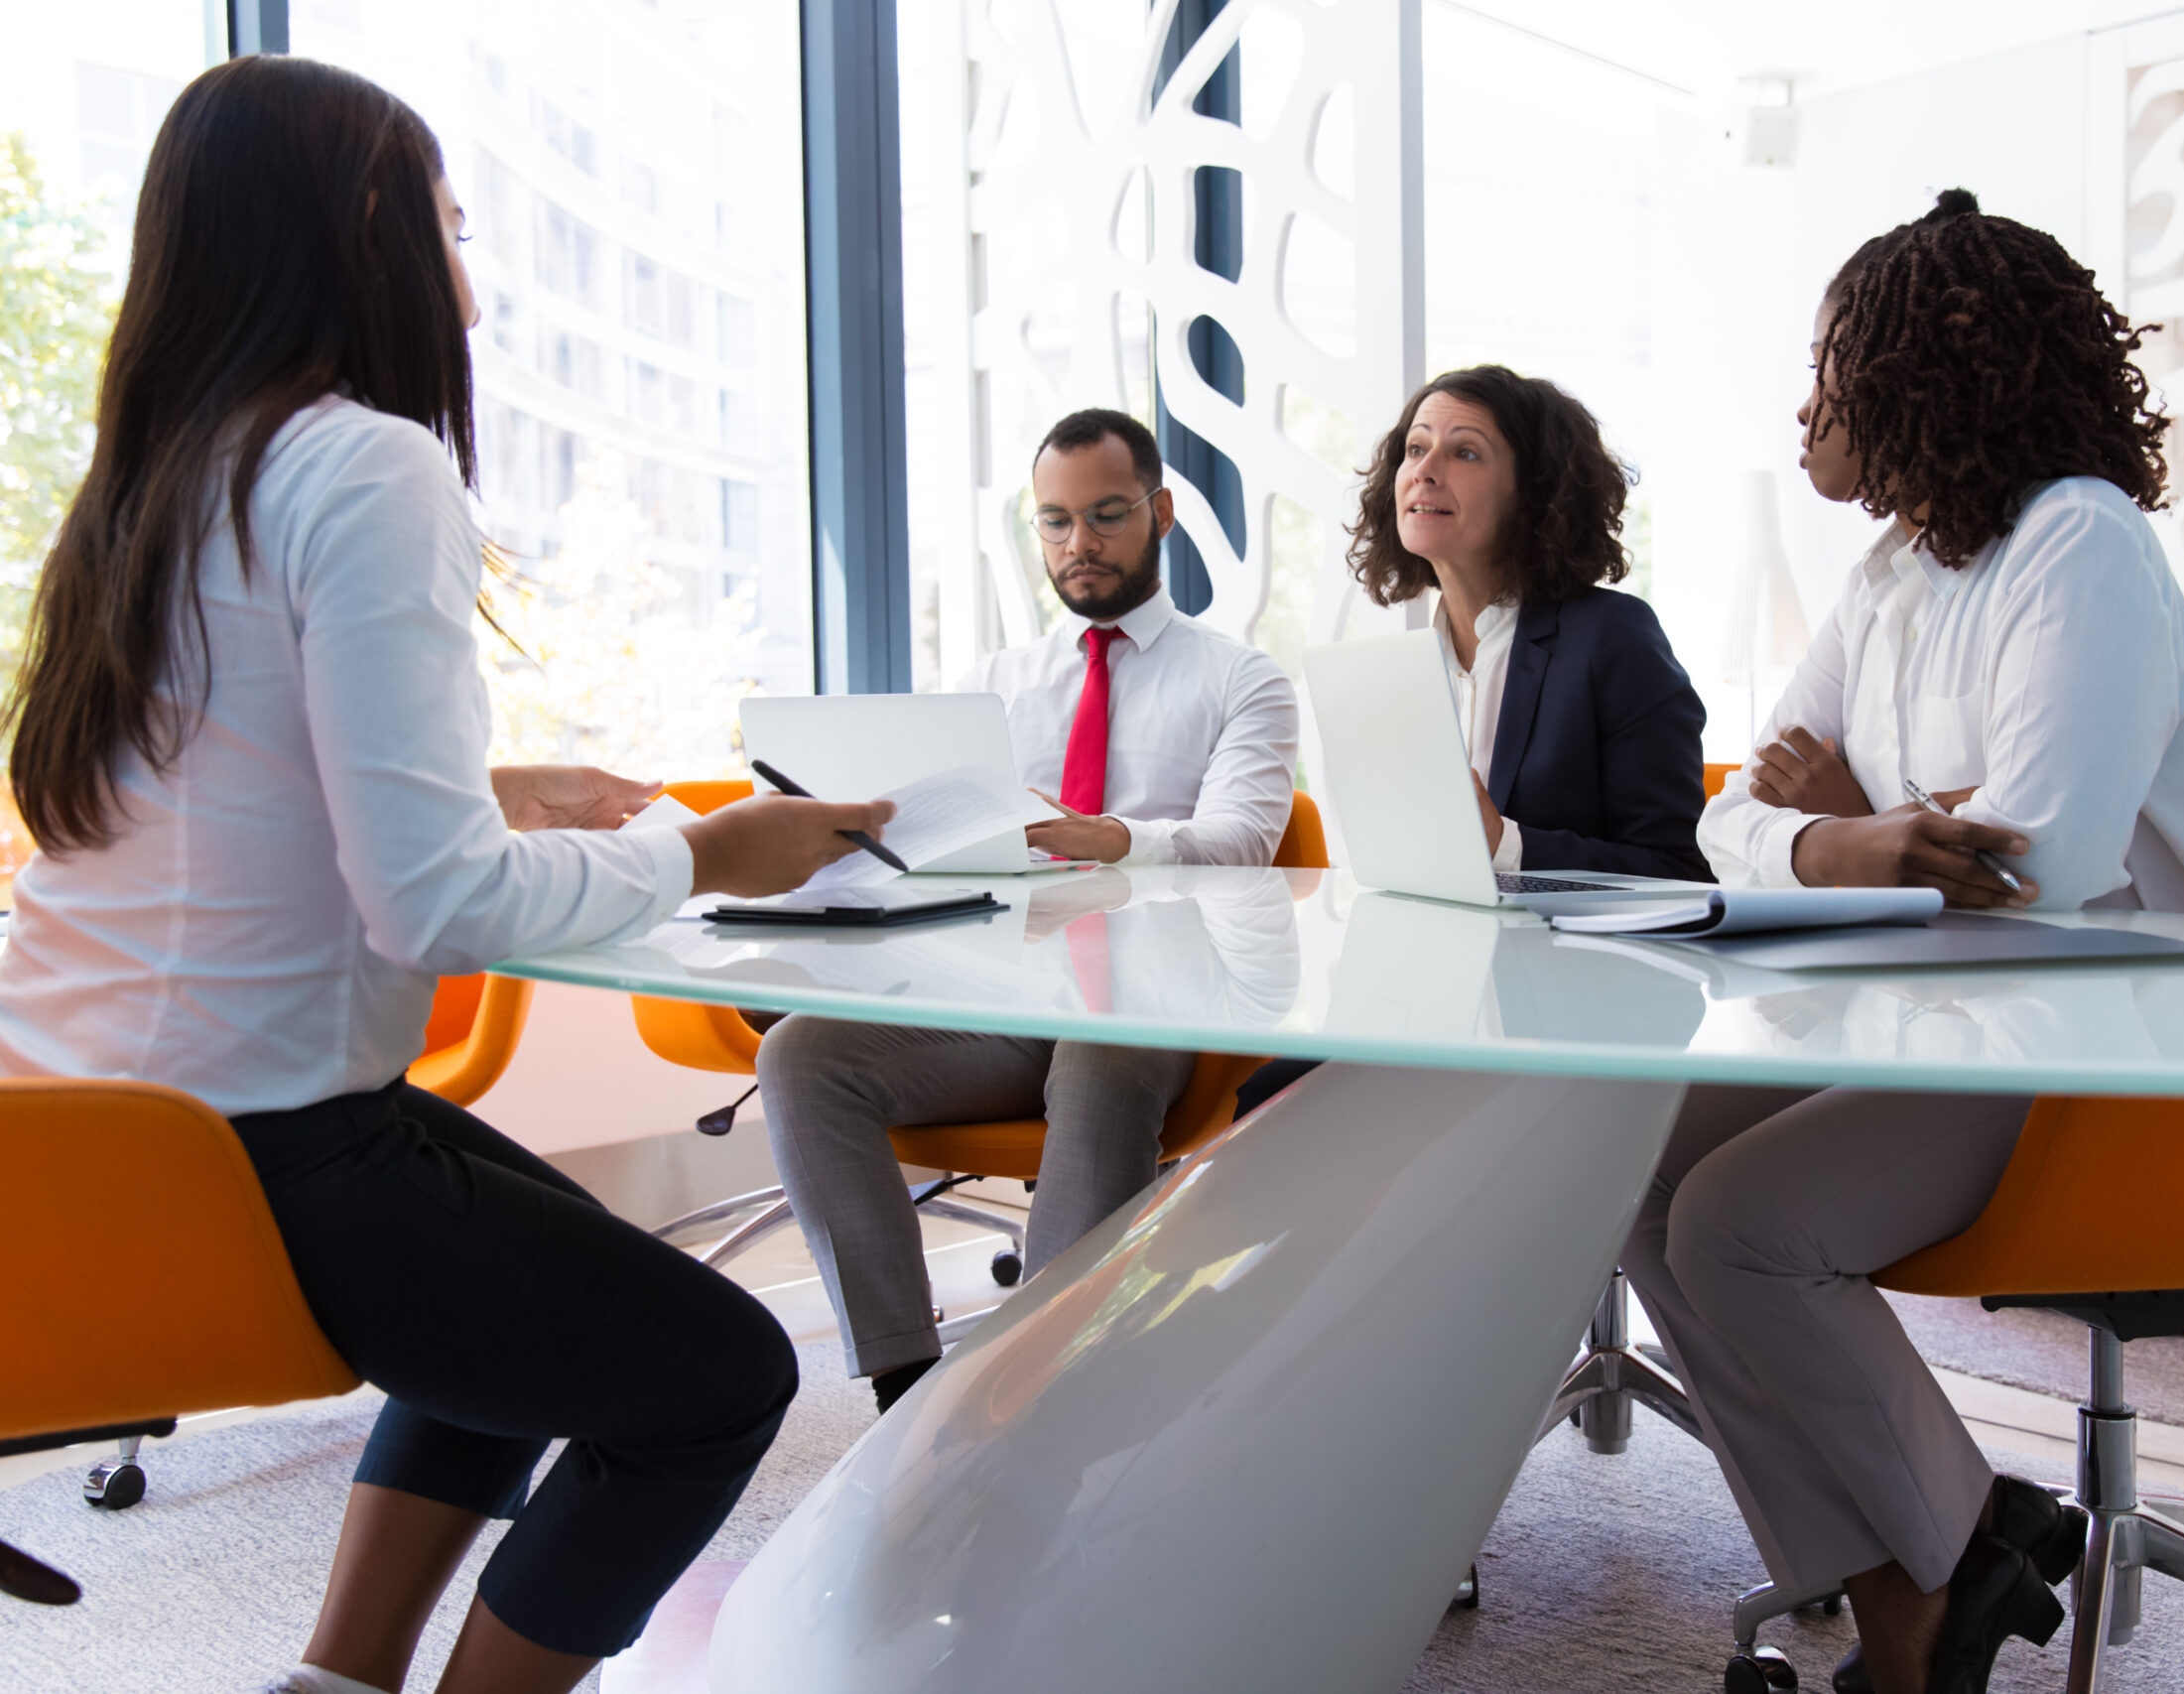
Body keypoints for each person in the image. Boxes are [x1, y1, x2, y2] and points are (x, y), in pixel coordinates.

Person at [0, 59, 899, 1694]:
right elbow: (439, 908)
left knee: (531, 1278)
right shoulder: (362, 465)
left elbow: (200, 798)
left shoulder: (151, 479)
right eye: (451, 227)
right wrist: (701, 848)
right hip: (265, 1148)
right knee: (719, 1375)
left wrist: (493, 788)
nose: (468, 289)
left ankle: (335, 1682)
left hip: (86, 1125)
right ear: (366, 229)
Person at [1620, 191, 2184, 1694]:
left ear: (1919, 368)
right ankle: (1926, 1566)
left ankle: (1947, 1565)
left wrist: (1851, 818)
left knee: (1742, 1219)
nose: (1804, 412)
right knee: (1634, 1164)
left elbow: (2038, 862)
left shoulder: (2083, 545)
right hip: (1960, 1012)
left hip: (2137, 1042)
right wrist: (1859, 832)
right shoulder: (1893, 578)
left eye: (1828, 370)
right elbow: (1729, 820)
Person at [754, 407, 1299, 1415]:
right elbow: (934, 852)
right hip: (1005, 998)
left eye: (1103, 515)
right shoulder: (991, 688)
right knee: (800, 1054)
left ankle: (1040, 1402)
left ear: (1162, 513)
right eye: (1053, 522)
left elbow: (1244, 845)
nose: (1077, 545)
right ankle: (905, 1385)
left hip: (1157, 1000)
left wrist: (1116, 837)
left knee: (1097, 1052)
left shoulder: (1241, 679)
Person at [1233, 363, 1712, 1119]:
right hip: (1426, 1005)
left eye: (1464, 452)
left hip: (1562, 1030)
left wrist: (1506, 844)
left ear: (1535, 491)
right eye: (1414, 449)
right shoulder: (1400, 666)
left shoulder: (1611, 639)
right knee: (1260, 1111)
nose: (1423, 470)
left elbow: (1681, 878)